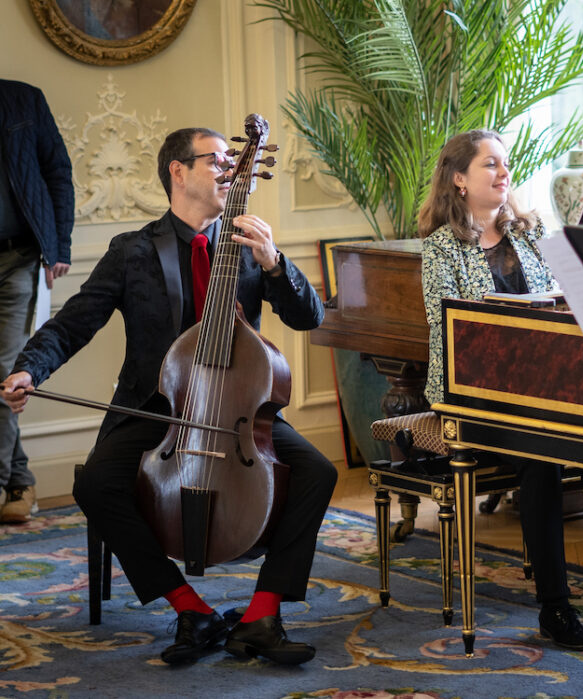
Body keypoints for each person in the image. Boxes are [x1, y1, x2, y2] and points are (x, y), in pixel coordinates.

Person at [0, 127, 337, 666]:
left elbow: (310, 318)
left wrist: (275, 263)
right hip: (158, 409)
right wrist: (28, 370)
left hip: (238, 413)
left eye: (234, 161)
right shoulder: (132, 250)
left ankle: (262, 616)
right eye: (217, 160)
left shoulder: (249, 245)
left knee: (318, 472)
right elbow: (73, 323)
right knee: (95, 483)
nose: (229, 169)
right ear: (178, 171)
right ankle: (190, 608)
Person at [418, 129, 583, 651]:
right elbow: (447, 330)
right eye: (490, 165)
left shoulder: (532, 232)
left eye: (505, 164)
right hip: (474, 394)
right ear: (459, 179)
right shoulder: (440, 248)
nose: (504, 173)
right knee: (542, 457)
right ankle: (554, 607)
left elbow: (574, 299)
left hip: (547, 389)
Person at [0, 80, 74, 524]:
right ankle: (20, 481)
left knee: (8, 375)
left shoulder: (23, 98)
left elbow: (57, 171)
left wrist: (59, 245)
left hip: (22, 259)